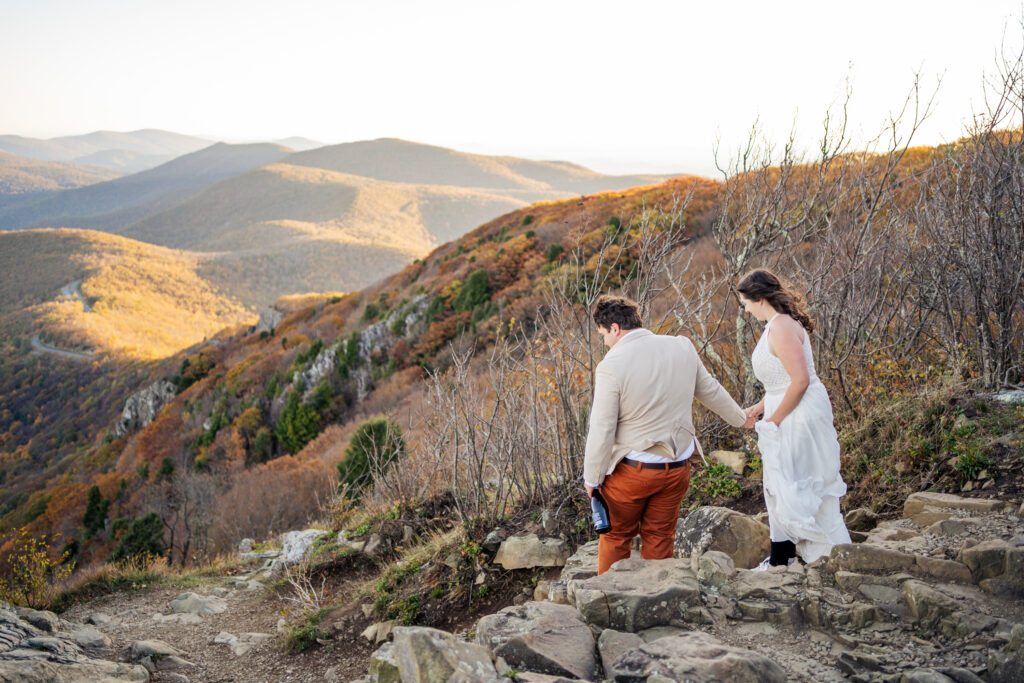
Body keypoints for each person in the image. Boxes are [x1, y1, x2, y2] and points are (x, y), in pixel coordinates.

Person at [583, 294, 752, 575]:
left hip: (633, 472)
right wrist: (740, 418)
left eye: (603, 335)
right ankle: (659, 599)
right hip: (676, 470)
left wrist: (592, 478)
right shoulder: (681, 347)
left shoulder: (611, 366)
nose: (605, 342)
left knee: (616, 536)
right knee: (660, 538)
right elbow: (709, 390)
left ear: (614, 328)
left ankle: (608, 605)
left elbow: (602, 429)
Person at [737, 269, 852, 568]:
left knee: (800, 484)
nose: (746, 309)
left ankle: (829, 557)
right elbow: (781, 381)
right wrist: (759, 408)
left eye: (746, 303)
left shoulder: (782, 327)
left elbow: (800, 381)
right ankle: (782, 557)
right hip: (786, 408)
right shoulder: (774, 326)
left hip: (800, 416)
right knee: (779, 485)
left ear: (759, 298)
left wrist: (773, 420)